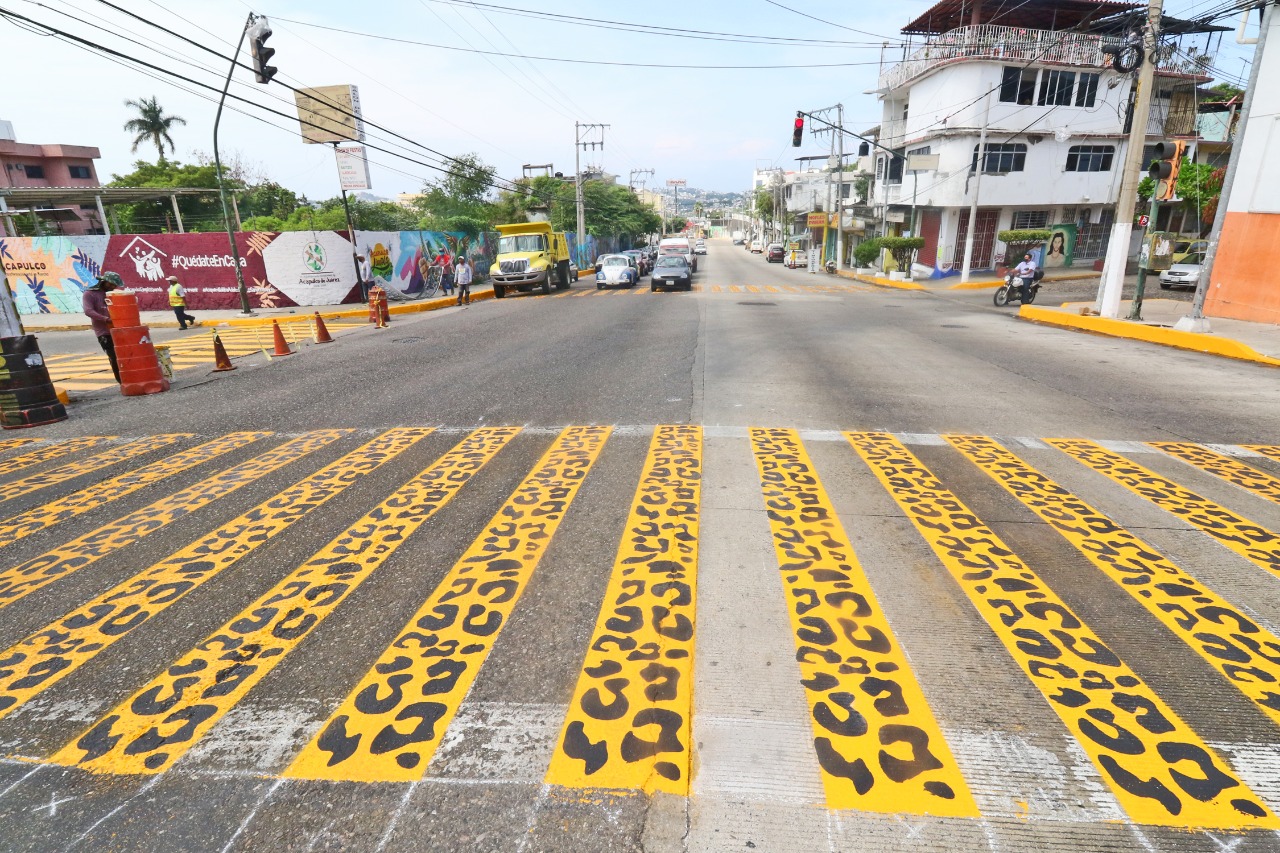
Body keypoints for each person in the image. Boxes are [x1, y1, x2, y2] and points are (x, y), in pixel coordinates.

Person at [82, 271, 121, 383]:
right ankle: (122, 381)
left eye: (115, 285)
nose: (113, 287)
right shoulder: (90, 294)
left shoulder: (112, 293)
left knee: (125, 355)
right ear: (104, 282)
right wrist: (106, 319)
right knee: (114, 357)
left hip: (118, 329)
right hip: (104, 332)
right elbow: (88, 311)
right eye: (112, 284)